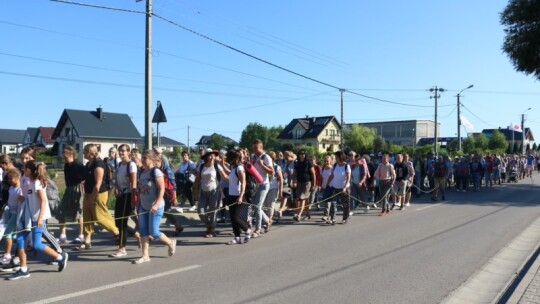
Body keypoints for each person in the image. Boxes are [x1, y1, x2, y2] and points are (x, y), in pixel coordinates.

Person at [9, 161, 68, 280]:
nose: (23, 171)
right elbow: (29, 198)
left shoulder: (36, 183)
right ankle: (24, 269)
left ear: (29, 170)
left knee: (36, 244)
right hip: (29, 218)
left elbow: (43, 201)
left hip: (38, 218)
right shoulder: (30, 182)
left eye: (25, 169)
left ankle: (60, 257)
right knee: (20, 239)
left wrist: (40, 218)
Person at [133, 149, 177, 264]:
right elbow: (140, 190)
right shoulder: (142, 172)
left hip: (156, 206)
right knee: (143, 231)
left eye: (145, 158)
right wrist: (138, 204)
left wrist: (157, 204)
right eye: (142, 158)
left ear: (152, 159)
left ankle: (170, 243)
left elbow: (161, 189)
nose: (142, 160)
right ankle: (145, 255)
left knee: (154, 232)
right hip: (144, 206)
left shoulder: (156, 172)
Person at [78, 144, 119, 250]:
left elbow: (98, 184)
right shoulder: (88, 164)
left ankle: (117, 232)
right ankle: (87, 241)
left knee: (99, 218)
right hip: (87, 193)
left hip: (98, 194)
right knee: (87, 217)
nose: (83, 152)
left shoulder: (98, 164)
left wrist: (91, 199)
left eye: (85, 150)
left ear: (91, 152)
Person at [109, 144, 139, 258]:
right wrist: (116, 188)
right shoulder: (120, 164)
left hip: (128, 194)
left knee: (122, 222)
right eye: (120, 151)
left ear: (128, 152)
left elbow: (134, 183)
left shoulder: (131, 165)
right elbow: (116, 178)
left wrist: (133, 200)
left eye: (123, 151)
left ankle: (122, 248)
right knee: (117, 222)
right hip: (121, 194)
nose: (121, 153)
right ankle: (137, 234)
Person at [56, 145, 85, 244]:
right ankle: (62, 236)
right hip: (69, 189)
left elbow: (85, 176)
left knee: (78, 212)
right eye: (63, 155)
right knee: (61, 211)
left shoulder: (78, 164)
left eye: (65, 155)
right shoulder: (66, 165)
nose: (64, 157)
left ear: (71, 154)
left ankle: (81, 235)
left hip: (78, 188)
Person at [195, 149, 227, 238]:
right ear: (206, 157)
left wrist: (236, 179)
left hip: (214, 191)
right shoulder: (201, 166)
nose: (212, 156)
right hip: (203, 191)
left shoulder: (217, 166)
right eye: (210, 155)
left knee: (213, 211)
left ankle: (212, 230)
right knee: (201, 212)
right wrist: (195, 190)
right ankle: (209, 226)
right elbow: (197, 179)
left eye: (213, 155)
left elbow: (225, 176)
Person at [224, 149, 251, 245]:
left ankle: (247, 230)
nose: (227, 159)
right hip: (231, 195)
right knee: (232, 218)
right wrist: (221, 165)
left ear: (234, 157)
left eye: (228, 157)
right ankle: (237, 237)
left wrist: (241, 196)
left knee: (236, 218)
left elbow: (243, 182)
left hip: (238, 195)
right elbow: (229, 175)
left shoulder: (240, 168)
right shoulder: (233, 167)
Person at [250, 139, 273, 237]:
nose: (254, 150)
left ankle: (257, 229)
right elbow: (250, 170)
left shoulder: (266, 157)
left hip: (264, 184)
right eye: (253, 148)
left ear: (261, 147)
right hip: (255, 185)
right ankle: (267, 220)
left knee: (258, 207)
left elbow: (272, 172)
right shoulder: (253, 156)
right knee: (254, 207)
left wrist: (262, 165)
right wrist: (250, 164)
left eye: (256, 148)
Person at [0, 169, 23, 265]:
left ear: (17, 178)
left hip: (16, 214)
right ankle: (14, 255)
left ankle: (7, 254)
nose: (9, 180)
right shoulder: (11, 188)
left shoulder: (20, 190)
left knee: (7, 234)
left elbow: (21, 204)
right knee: (13, 235)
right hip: (10, 211)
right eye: (8, 178)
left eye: (11, 178)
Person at [326, 151, 351, 224]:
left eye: (336, 157)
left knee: (345, 204)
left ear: (340, 157)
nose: (335, 159)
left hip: (344, 188)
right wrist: (327, 184)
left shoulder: (346, 166)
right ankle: (332, 218)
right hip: (335, 187)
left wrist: (345, 187)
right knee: (333, 203)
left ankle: (345, 218)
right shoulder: (335, 165)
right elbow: (332, 175)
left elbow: (348, 177)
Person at [291, 149, 315, 222]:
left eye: (303, 154)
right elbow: (294, 173)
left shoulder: (308, 162)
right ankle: (307, 214)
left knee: (302, 198)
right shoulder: (297, 163)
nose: (302, 155)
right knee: (304, 199)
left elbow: (313, 174)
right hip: (299, 182)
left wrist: (313, 184)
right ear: (298, 155)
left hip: (307, 182)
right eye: (301, 153)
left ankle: (298, 215)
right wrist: (293, 180)